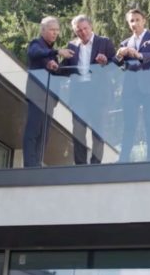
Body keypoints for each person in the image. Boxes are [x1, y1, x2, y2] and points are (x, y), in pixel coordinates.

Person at [59, 15, 116, 164]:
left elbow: (115, 65)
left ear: (91, 27)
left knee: (98, 131)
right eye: (79, 30)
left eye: (85, 28)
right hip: (79, 93)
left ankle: (95, 165)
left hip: (99, 93)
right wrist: (53, 60)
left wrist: (105, 62)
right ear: (75, 31)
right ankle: (80, 165)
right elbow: (64, 69)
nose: (83, 32)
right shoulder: (72, 46)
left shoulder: (104, 42)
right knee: (78, 131)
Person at [115, 8, 150, 162]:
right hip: (130, 89)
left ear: (144, 21)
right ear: (128, 23)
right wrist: (119, 55)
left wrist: (140, 55)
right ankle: (124, 159)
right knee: (129, 125)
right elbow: (118, 65)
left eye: (137, 20)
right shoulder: (125, 43)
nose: (135, 23)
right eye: (131, 21)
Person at [22, 16, 73, 167]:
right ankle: (30, 165)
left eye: (57, 30)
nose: (55, 33)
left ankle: (37, 163)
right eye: (52, 30)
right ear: (42, 30)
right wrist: (57, 52)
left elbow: (59, 72)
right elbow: (34, 53)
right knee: (33, 131)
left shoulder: (50, 52)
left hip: (50, 99)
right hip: (37, 96)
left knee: (44, 134)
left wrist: (71, 62)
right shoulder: (36, 44)